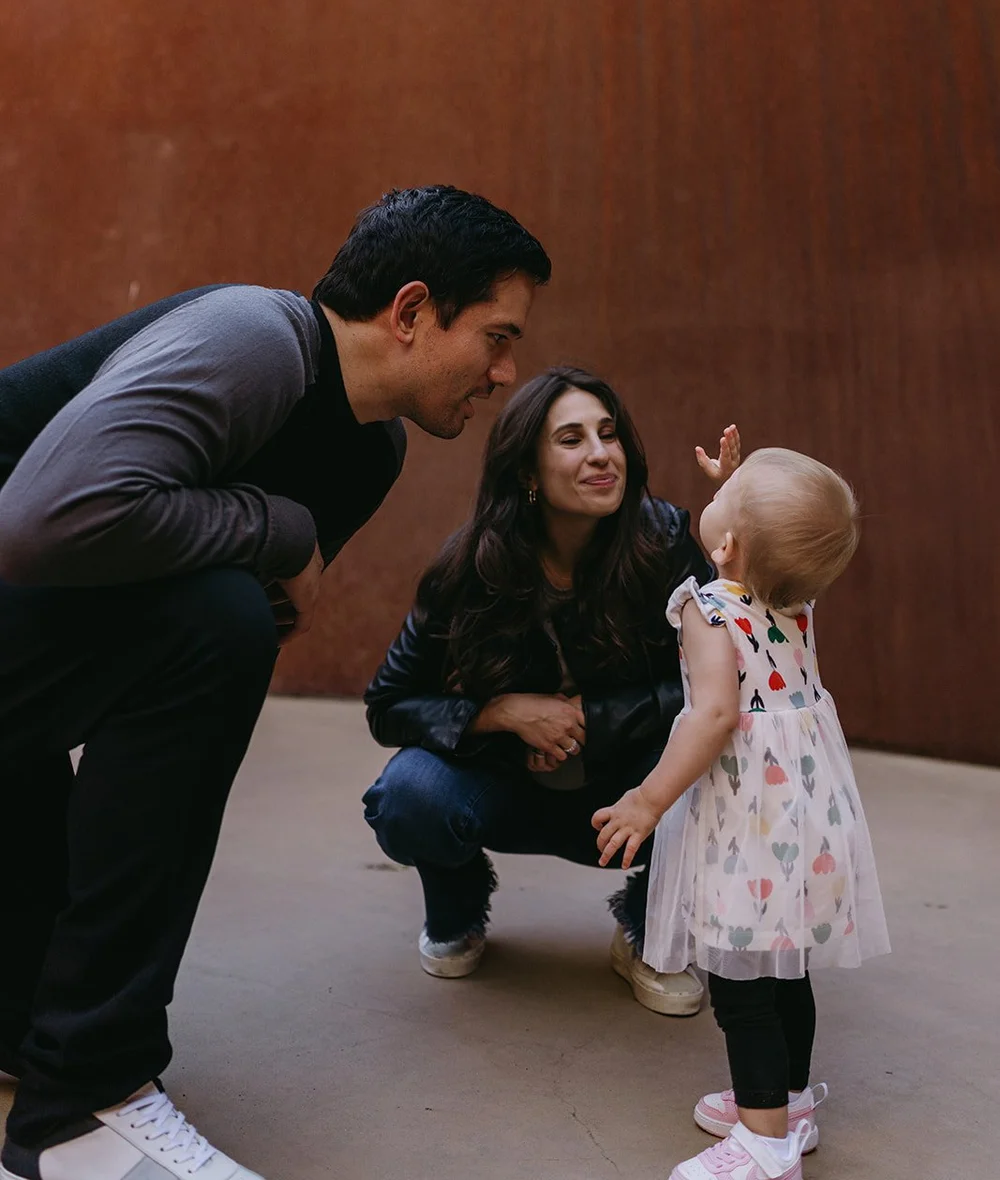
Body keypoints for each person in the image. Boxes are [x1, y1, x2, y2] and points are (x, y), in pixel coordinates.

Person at [0, 186, 550, 1180]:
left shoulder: (367, 448)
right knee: (213, 621)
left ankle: (32, 1029)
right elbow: (44, 523)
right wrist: (277, 527)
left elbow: (206, 619)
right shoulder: (257, 337)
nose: (507, 375)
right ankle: (78, 1108)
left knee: (212, 622)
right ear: (413, 310)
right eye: (496, 337)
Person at [363, 364, 740, 1014]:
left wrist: (591, 717)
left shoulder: (664, 542)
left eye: (609, 433)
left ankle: (650, 932)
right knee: (408, 796)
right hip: (507, 784)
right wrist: (501, 713)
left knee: (728, 763)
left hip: (632, 793)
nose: (601, 454)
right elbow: (389, 706)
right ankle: (458, 907)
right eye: (572, 439)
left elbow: (718, 689)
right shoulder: (468, 569)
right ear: (528, 474)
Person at [593, 448, 890, 1180]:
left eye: (727, 494)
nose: (717, 494)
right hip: (805, 816)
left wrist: (648, 798)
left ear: (728, 546)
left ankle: (764, 1145)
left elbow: (714, 713)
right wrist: (736, 498)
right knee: (786, 964)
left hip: (748, 821)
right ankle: (789, 1104)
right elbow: (774, 543)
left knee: (741, 982)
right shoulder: (793, 596)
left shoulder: (707, 608)